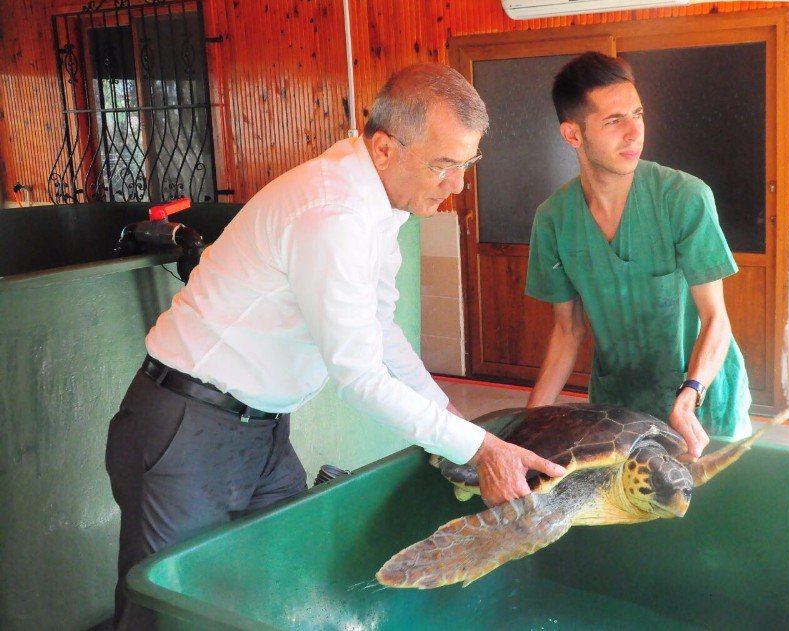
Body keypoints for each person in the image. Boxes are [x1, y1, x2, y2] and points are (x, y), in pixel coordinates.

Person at [105, 63, 565, 629]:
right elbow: (359, 377)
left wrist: (445, 414)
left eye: (467, 164)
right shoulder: (331, 215)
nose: (457, 186)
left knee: (280, 587)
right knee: (167, 612)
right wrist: (477, 449)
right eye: (444, 165)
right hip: (187, 425)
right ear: (384, 149)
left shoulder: (379, 208)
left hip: (262, 428)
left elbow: (379, 327)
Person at [524, 52, 752, 458]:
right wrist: (529, 424)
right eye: (614, 121)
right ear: (572, 135)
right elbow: (567, 331)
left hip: (704, 403)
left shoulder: (683, 197)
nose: (634, 132)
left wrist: (689, 396)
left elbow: (716, 318)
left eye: (638, 114)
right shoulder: (553, 219)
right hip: (619, 409)